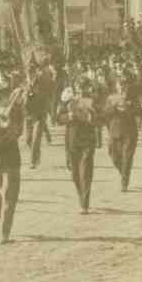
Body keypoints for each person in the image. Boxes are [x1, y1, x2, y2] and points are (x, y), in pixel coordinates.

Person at [0, 81, 24, 244]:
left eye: (1, 97)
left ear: (8, 98)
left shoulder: (16, 112)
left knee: (11, 197)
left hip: (11, 156)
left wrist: (0, 130)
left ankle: (5, 233)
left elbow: (16, 132)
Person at [59, 75, 97, 215]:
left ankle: (85, 204)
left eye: (84, 87)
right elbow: (58, 118)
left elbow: (100, 119)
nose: (81, 90)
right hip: (72, 139)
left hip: (87, 139)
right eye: (79, 87)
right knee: (75, 174)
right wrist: (68, 116)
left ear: (88, 88)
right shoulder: (69, 100)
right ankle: (82, 196)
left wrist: (91, 116)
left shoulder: (93, 100)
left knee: (85, 172)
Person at [103, 69, 141, 192]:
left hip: (130, 131)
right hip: (115, 130)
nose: (122, 87)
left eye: (125, 84)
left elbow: (139, 111)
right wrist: (114, 108)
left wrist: (128, 107)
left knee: (127, 157)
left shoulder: (133, 97)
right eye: (120, 84)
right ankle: (123, 172)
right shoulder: (111, 98)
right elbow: (105, 113)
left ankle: (124, 181)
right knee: (114, 157)